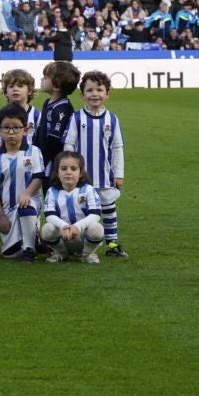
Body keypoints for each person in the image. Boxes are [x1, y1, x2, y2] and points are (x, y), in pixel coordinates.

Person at [63, 70, 126, 258]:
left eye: (99, 90)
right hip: (81, 177)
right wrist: (69, 170)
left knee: (108, 208)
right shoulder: (76, 118)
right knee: (81, 210)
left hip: (104, 175)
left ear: (107, 94)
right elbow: (69, 145)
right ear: (82, 95)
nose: (95, 94)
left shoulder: (112, 119)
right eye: (89, 90)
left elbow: (117, 148)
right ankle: (80, 243)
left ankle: (112, 243)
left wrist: (119, 173)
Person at [0, 103, 43, 261]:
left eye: (16, 128)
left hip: (29, 205)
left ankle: (30, 250)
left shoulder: (34, 151)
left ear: (25, 130)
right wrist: (0, 216)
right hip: (7, 209)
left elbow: (38, 177)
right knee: (9, 254)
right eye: (6, 128)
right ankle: (36, 240)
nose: (11, 132)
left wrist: (27, 193)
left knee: (26, 206)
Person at [41, 151, 106, 264]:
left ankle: (87, 254)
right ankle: (61, 253)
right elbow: (49, 215)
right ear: (57, 173)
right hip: (63, 236)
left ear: (80, 172)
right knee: (47, 229)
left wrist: (77, 227)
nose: (68, 172)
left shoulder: (88, 189)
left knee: (97, 228)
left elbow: (95, 214)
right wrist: (64, 226)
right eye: (64, 169)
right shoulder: (51, 191)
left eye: (73, 169)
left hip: (83, 237)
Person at [35, 60, 80, 182]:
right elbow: (41, 130)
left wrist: (42, 159)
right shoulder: (47, 103)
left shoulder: (63, 108)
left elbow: (54, 139)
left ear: (56, 86)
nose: (42, 79)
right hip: (42, 158)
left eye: (45, 77)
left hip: (54, 163)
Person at [0, 68, 40, 146]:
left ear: (29, 91)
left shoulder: (36, 115)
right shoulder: (1, 114)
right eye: (11, 86)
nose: (15, 89)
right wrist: (7, 153)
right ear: (6, 92)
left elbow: (41, 140)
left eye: (20, 86)